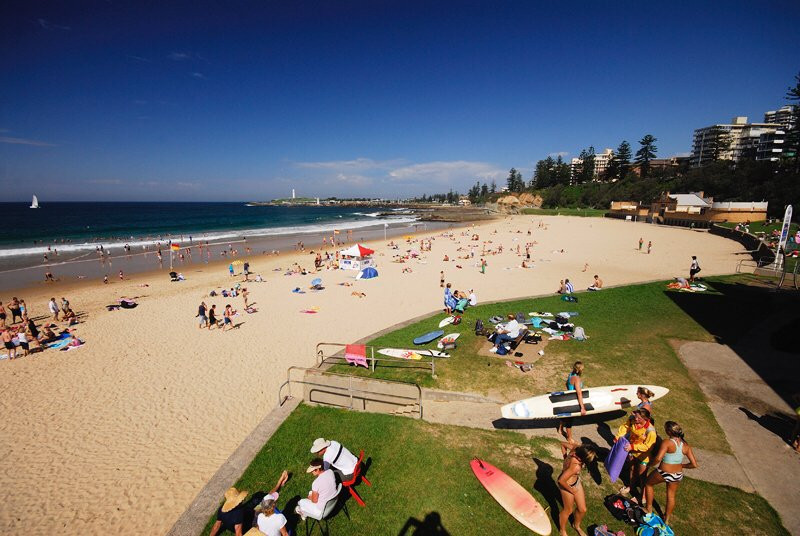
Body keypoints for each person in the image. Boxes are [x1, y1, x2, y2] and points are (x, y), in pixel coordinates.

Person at [643, 421, 698, 525]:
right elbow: (694, 464)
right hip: (677, 474)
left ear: (669, 431)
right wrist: (682, 465)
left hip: (664, 472)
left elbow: (658, 458)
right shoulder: (685, 446)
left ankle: (648, 509)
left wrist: (650, 464)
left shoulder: (667, 442)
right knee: (671, 496)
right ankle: (667, 519)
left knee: (648, 483)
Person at [557, 443, 596, 536]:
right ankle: (562, 530)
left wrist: (565, 458)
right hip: (566, 486)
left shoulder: (576, 448)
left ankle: (576, 526)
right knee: (568, 510)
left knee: (582, 509)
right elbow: (561, 481)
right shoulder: (575, 466)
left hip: (576, 483)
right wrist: (571, 490)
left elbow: (563, 444)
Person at [616, 408, 657, 497]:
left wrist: (633, 447)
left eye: (639, 418)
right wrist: (618, 436)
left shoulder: (650, 431)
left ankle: (642, 497)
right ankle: (631, 487)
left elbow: (648, 447)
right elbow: (625, 427)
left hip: (644, 456)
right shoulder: (632, 420)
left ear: (645, 419)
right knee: (632, 470)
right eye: (635, 417)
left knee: (642, 476)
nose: (636, 419)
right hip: (632, 451)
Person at [254, 470, 290, 536]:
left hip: (257, 520)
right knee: (290, 529)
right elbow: (285, 534)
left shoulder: (260, 516)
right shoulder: (279, 517)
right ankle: (281, 480)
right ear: (273, 505)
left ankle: (280, 481)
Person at [558, 362, 586, 443]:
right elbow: (579, 393)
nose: (582, 371)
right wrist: (582, 407)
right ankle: (569, 438)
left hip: (568, 398)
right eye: (582, 369)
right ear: (578, 370)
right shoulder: (577, 379)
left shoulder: (571, 375)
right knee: (570, 420)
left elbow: (568, 385)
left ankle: (560, 429)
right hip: (573, 400)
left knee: (565, 416)